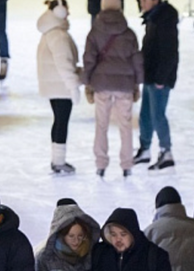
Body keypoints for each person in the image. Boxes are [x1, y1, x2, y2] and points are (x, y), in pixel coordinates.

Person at [84, 0, 144, 178]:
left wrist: (87, 82)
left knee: (101, 125)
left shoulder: (94, 32)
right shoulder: (129, 34)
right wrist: (137, 83)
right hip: (124, 85)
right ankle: (126, 165)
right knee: (125, 126)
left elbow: (89, 60)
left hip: (101, 84)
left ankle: (100, 164)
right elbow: (137, 61)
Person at [36, 0, 83, 175]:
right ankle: (59, 161)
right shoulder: (58, 35)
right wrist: (73, 86)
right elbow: (64, 63)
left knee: (58, 121)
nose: (68, 13)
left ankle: (57, 160)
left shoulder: (50, 32)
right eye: (67, 9)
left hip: (54, 85)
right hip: (61, 86)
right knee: (61, 122)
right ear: (60, 11)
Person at [135, 0, 179, 171]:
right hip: (150, 74)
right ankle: (145, 149)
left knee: (157, 114)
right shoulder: (154, 18)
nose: (141, 3)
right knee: (146, 114)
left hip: (159, 77)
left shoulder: (165, 18)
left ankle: (166, 151)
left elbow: (169, 51)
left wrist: (161, 77)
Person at [33, 199, 101, 271]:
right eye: (71, 236)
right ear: (62, 235)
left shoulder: (92, 253)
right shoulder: (45, 257)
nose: (76, 241)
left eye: (80, 236)